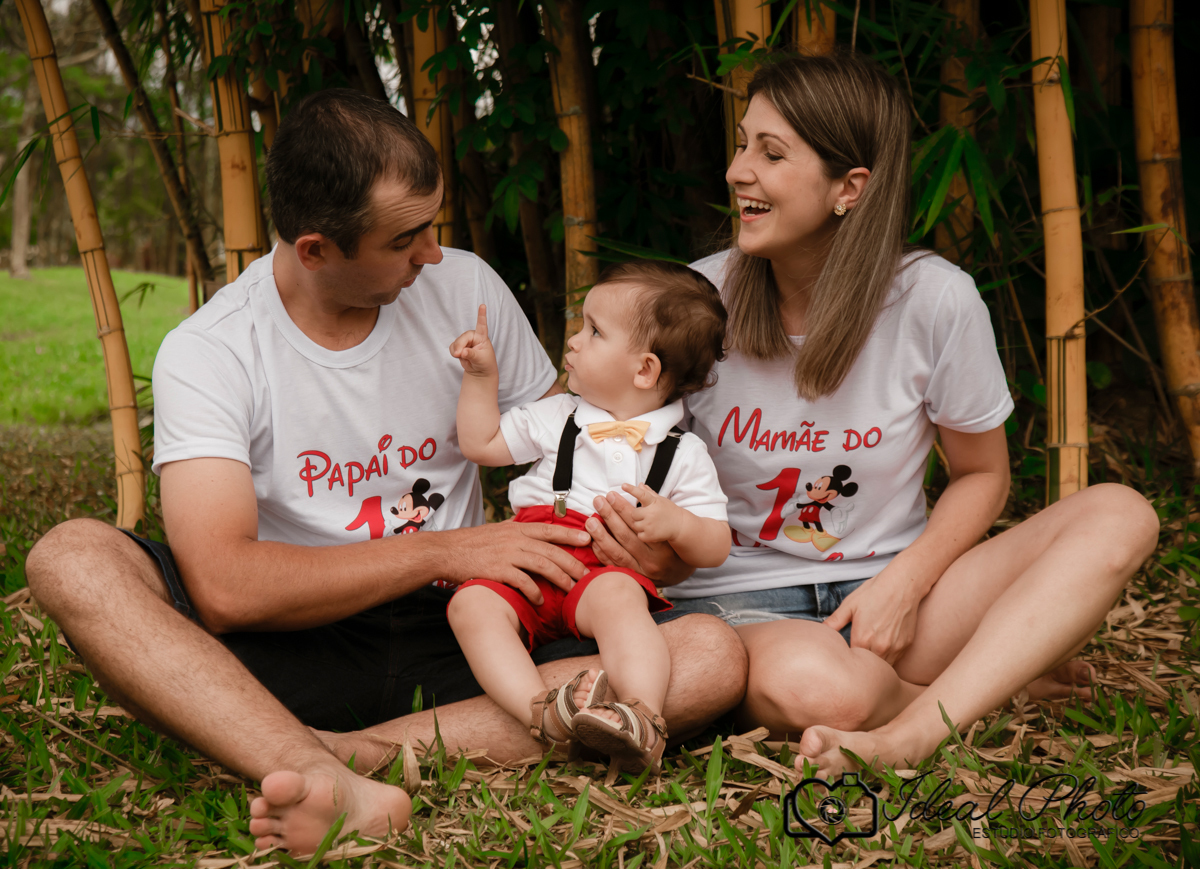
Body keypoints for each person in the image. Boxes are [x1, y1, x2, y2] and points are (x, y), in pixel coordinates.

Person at [22, 89, 748, 855]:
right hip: (303, 633)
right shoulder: (212, 350)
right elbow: (226, 588)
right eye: (406, 239)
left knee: (709, 655)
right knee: (71, 556)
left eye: (432, 226)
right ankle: (313, 753)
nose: (432, 254)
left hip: (471, 625)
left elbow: (572, 440)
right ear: (316, 249)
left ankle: (337, 758)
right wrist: (443, 548)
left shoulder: (465, 287)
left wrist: (641, 543)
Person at [583, 51, 1159, 776]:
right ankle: (981, 683)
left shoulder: (934, 301)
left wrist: (905, 583)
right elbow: (621, 447)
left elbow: (983, 474)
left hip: (892, 595)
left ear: (849, 187)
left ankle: (915, 728)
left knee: (1121, 514)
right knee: (827, 692)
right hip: (740, 606)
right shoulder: (695, 302)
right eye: (740, 143)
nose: (737, 171)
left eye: (771, 152)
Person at [447, 260, 732, 772]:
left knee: (621, 598)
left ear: (644, 369)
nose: (573, 342)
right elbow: (481, 443)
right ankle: (541, 712)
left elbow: (715, 544)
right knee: (470, 606)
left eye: (594, 331)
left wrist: (676, 524)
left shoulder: (681, 450)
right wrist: (481, 377)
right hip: (531, 557)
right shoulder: (558, 416)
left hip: (600, 572)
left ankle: (641, 715)